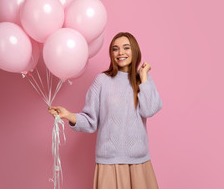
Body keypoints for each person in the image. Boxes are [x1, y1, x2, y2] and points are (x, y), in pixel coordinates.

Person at [48, 32, 163, 189]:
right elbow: (90, 121)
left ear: (134, 50)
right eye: (115, 49)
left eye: (126, 48)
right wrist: (68, 115)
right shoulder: (102, 81)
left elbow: (149, 110)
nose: (120, 52)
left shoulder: (143, 80)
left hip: (138, 162)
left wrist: (143, 76)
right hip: (109, 162)